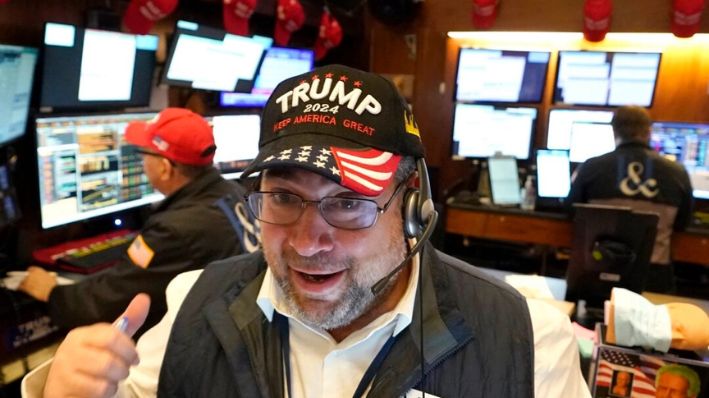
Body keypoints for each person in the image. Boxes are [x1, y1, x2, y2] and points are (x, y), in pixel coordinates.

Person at [24, 65, 588, 398]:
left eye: (347, 203)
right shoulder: (191, 303)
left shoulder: (526, 340)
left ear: (413, 207)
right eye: (285, 198)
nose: (306, 241)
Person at [18, 108, 257, 336]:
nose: (141, 162)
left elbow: (110, 301)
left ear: (164, 168)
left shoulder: (176, 229)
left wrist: (52, 293)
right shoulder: (231, 191)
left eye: (143, 154)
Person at [565, 105, 693, 293]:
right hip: (652, 278)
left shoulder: (591, 168)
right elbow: (682, 224)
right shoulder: (677, 173)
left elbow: (571, 213)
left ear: (614, 131)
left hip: (596, 271)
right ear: (649, 132)